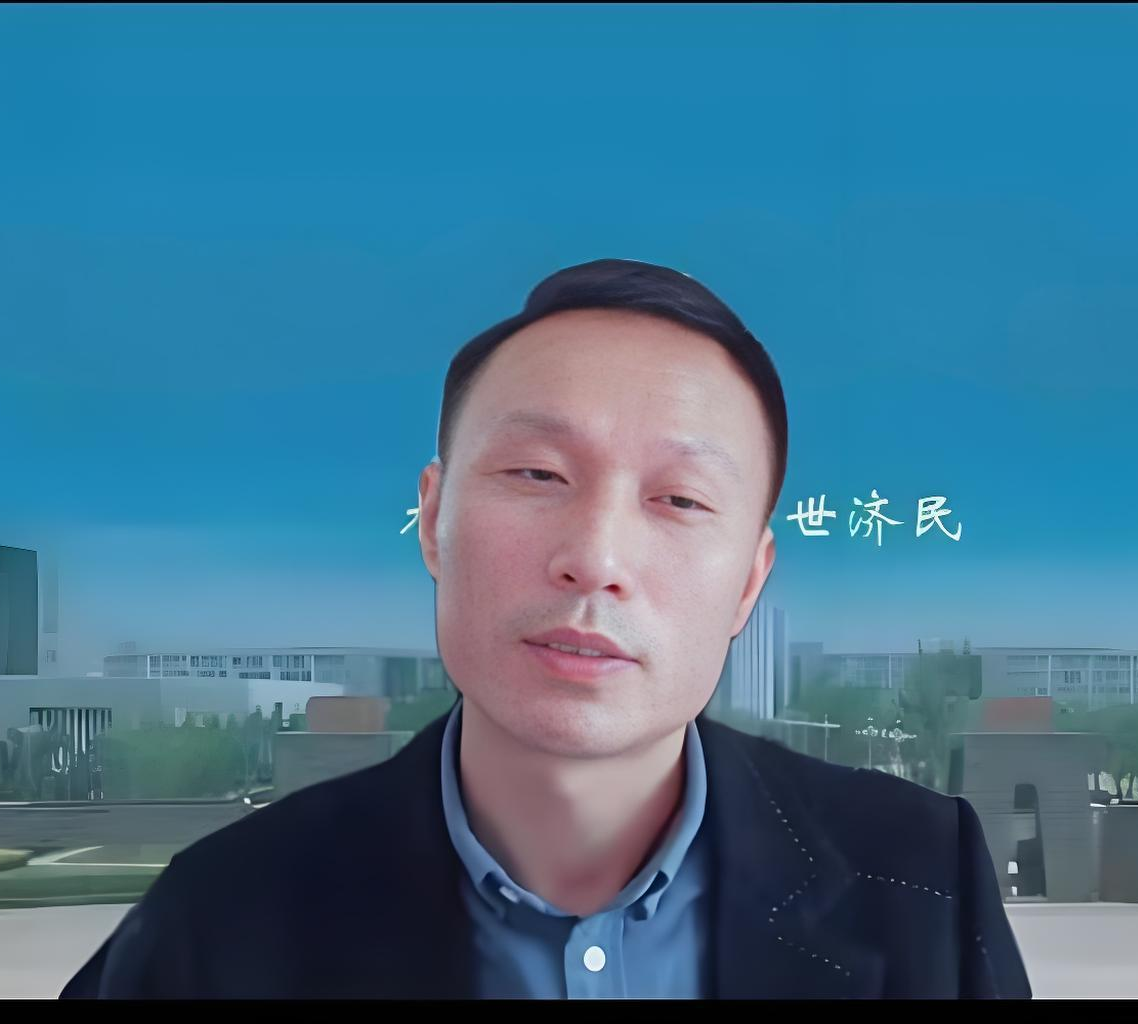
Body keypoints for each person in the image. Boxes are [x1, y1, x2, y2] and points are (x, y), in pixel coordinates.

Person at [61, 258, 1030, 999]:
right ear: (433, 519)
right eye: (537, 474)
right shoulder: (219, 918)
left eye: (681, 499)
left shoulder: (921, 879)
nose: (595, 557)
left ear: (749, 581)